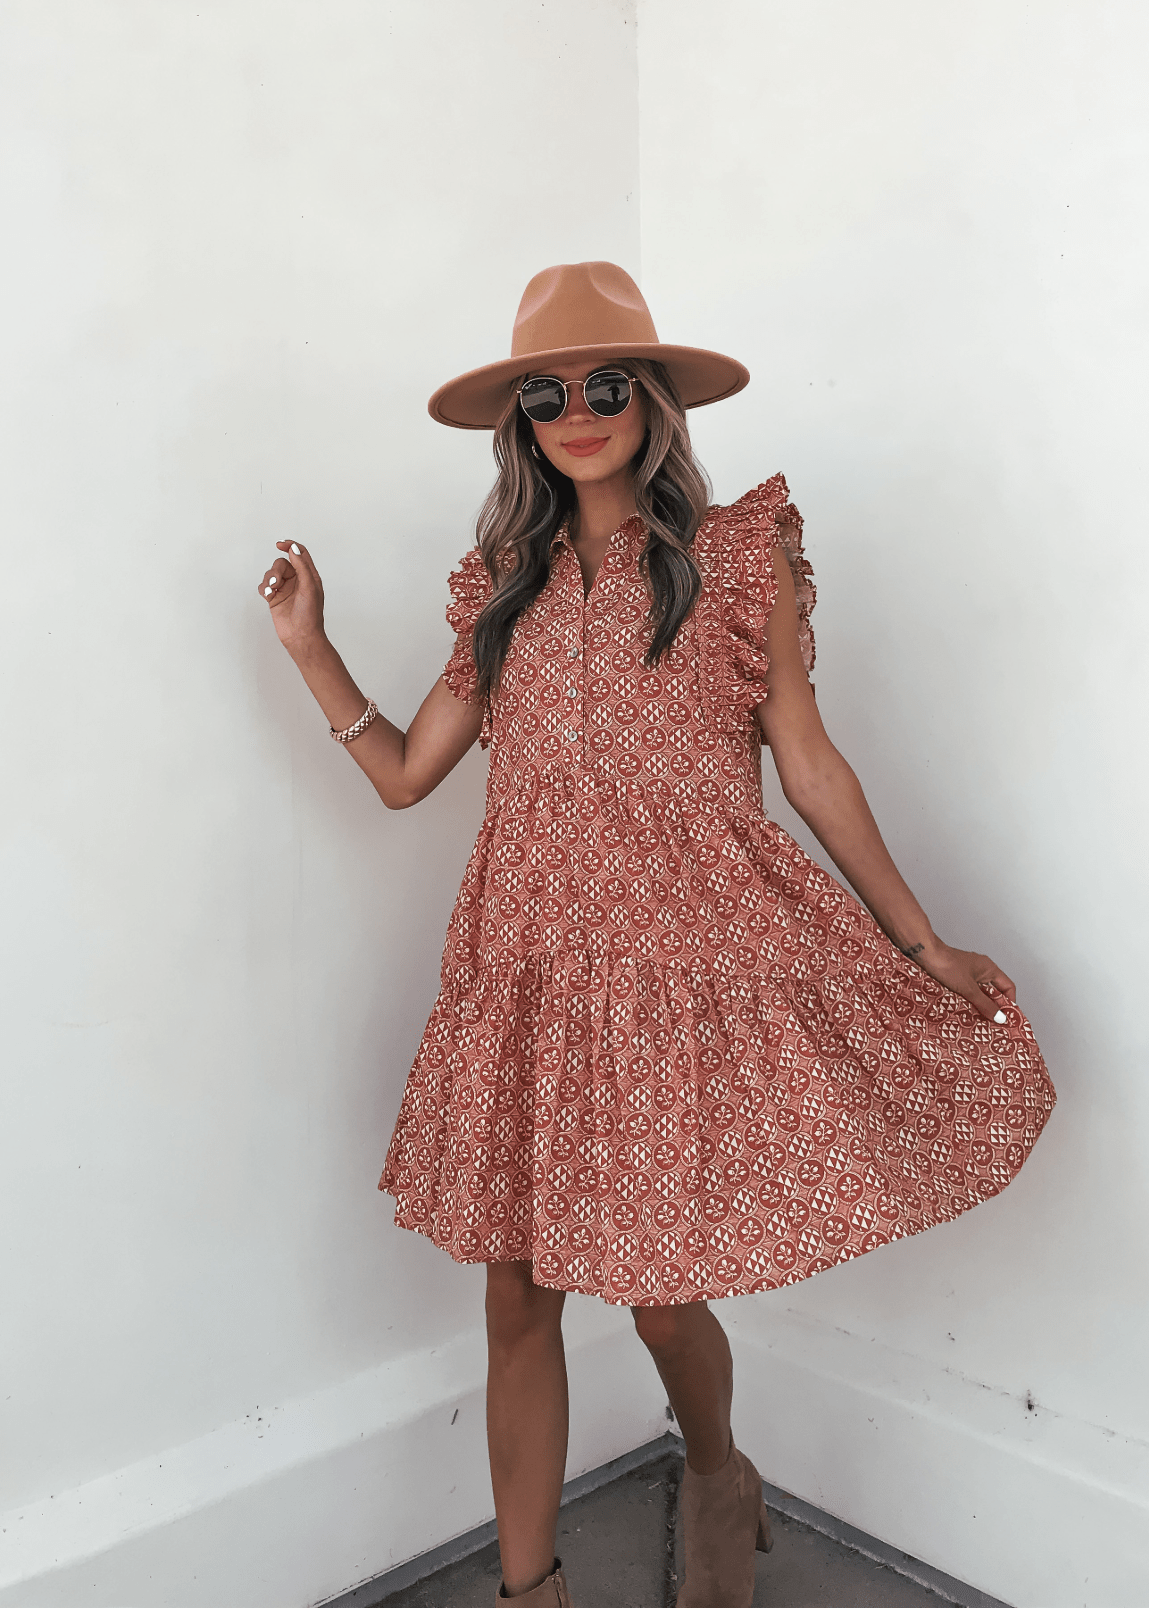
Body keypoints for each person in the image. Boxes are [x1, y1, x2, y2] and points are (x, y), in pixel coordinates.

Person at [258, 262, 1055, 1608]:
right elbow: (403, 775)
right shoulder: (501, 588)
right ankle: (532, 1594)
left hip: (681, 968)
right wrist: (309, 648)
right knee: (517, 1296)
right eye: (546, 394)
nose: (578, 413)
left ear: (655, 403)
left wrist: (920, 943)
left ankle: (718, 1472)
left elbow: (808, 763)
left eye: (607, 385)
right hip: (528, 971)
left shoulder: (735, 563)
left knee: (662, 1297)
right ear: (521, 423)